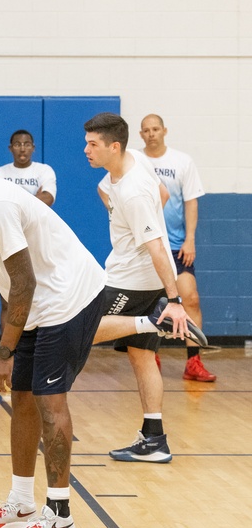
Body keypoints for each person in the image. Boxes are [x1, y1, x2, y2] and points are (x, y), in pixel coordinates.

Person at [0, 131, 198, 528]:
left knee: (49, 401)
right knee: (22, 399)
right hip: (37, 302)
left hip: (68, 296)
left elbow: (23, 283)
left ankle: (60, 518)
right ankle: (22, 503)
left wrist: (5, 353)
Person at [85, 112, 205, 464]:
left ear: (114, 146)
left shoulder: (133, 192)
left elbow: (155, 246)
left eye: (93, 145)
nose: (86, 150)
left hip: (129, 281)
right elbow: (164, 193)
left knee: (83, 328)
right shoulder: (133, 162)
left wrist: (174, 301)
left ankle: (154, 321)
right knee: (141, 357)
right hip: (145, 282)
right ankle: (155, 439)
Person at [138, 114, 215, 381]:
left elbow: (191, 202)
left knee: (190, 298)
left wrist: (190, 238)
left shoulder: (182, 161)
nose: (151, 134)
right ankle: (151, 358)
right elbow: (105, 189)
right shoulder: (135, 160)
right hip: (147, 246)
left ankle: (193, 362)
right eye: (146, 130)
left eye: (155, 129)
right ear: (140, 134)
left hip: (176, 247)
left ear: (164, 131)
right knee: (150, 304)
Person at [0, 130, 57, 207]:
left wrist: (9, 201)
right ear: (10, 148)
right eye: (17, 145)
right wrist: (34, 199)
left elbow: (48, 198)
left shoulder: (44, 170)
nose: (22, 149)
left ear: (33, 148)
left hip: (35, 219)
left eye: (27, 145)